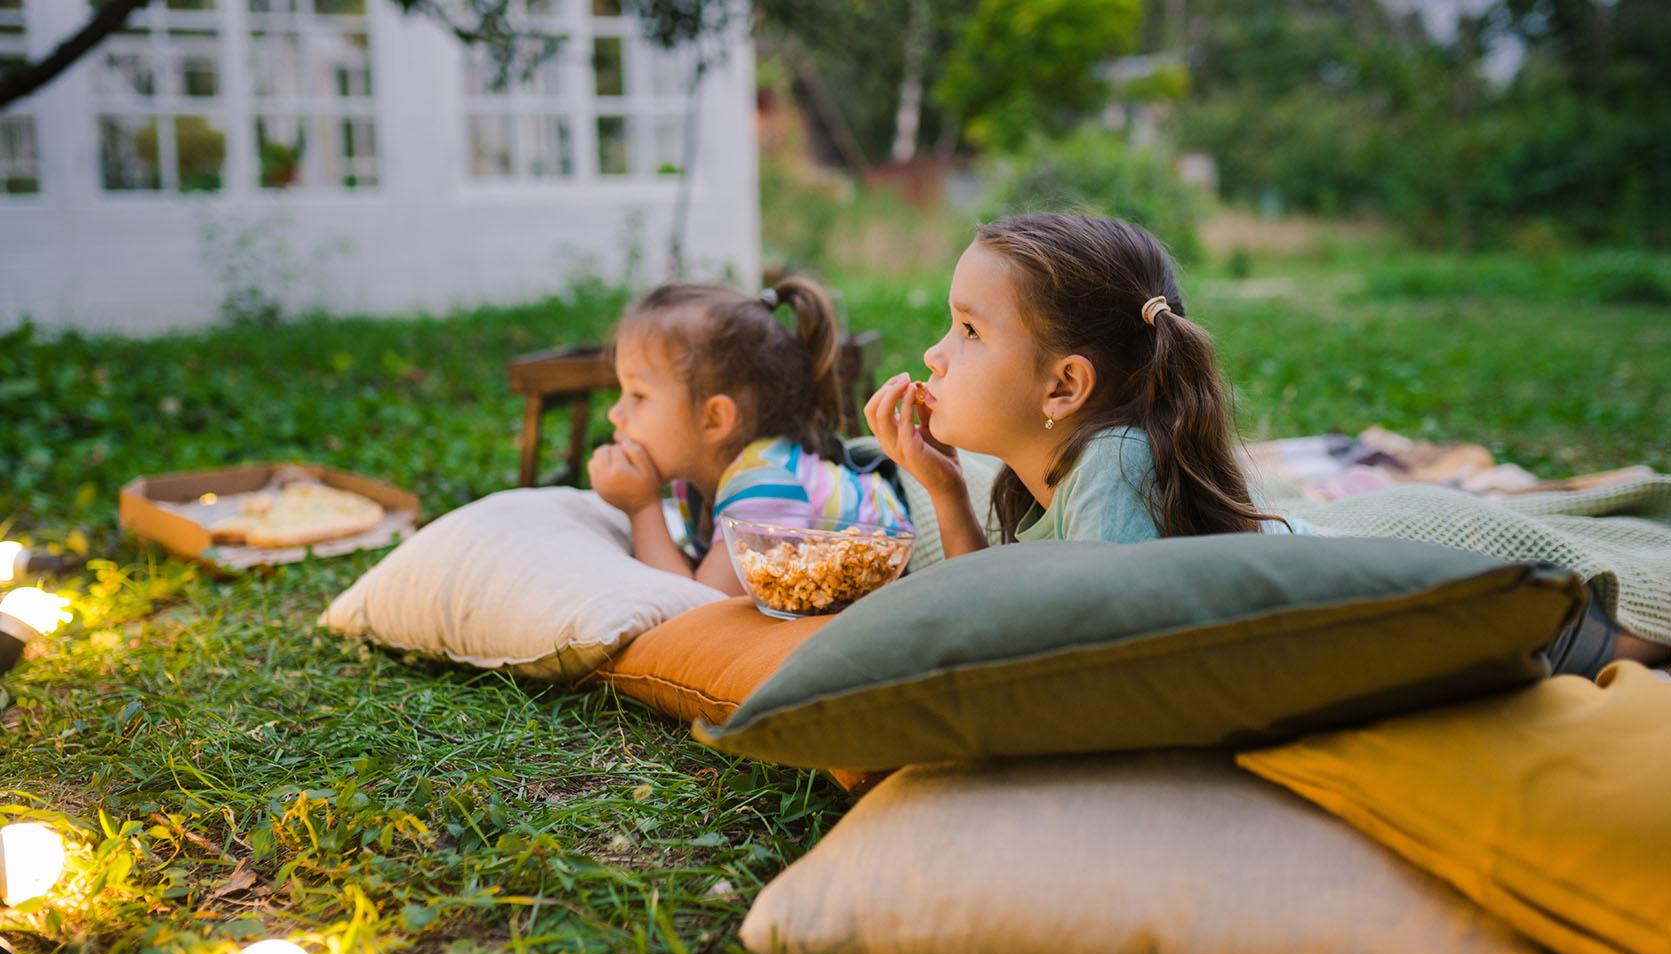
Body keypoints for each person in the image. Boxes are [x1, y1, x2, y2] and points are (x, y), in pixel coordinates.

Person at [865, 211, 1667, 673]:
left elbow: (1113, 657)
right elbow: (988, 607)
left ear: (1063, 387)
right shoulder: (1051, 468)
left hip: (1392, 609)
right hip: (1364, 607)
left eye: (968, 330)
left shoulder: (1111, 466)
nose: (935, 352)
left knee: (1609, 648)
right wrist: (940, 487)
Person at [588, 278, 912, 597]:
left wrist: (643, 509)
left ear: (715, 419)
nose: (615, 414)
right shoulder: (693, 481)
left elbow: (700, 612)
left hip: (908, 583)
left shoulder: (763, 487)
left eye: (638, 395)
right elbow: (695, 577)